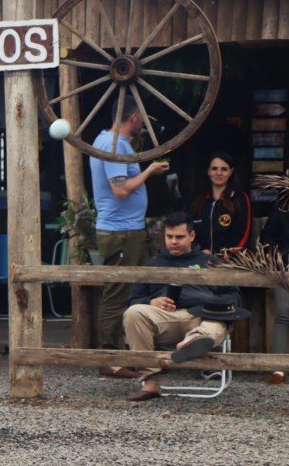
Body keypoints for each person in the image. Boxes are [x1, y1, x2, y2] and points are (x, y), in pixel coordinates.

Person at [122, 211, 248, 401]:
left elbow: (234, 295)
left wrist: (213, 303)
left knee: (217, 320)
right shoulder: (152, 265)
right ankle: (151, 381)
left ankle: (194, 341)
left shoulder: (210, 262)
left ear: (192, 236)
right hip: (164, 319)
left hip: (201, 317)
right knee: (133, 312)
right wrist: (151, 302)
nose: (173, 241)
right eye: (169, 236)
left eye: (179, 237)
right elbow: (132, 300)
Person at [89, 95, 169, 378]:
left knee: (128, 290)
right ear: (134, 117)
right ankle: (109, 359)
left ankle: (122, 352)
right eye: (142, 119)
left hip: (125, 229)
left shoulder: (114, 143)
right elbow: (120, 190)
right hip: (120, 231)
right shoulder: (112, 145)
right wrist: (149, 170)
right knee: (117, 293)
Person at [260, 163, 289, 385]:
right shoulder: (282, 208)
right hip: (285, 268)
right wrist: (278, 257)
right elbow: (268, 237)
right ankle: (279, 368)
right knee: (283, 316)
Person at [186, 152, 251, 255]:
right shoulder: (195, 198)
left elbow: (243, 235)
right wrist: (198, 253)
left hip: (229, 262)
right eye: (214, 168)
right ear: (208, 171)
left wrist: (220, 256)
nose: (219, 173)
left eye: (224, 169)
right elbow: (185, 229)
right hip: (197, 260)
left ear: (231, 172)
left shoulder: (240, 198)